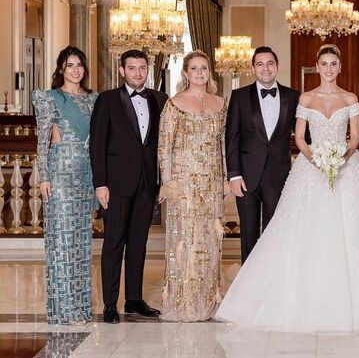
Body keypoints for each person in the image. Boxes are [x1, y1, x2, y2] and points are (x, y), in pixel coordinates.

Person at [215, 44, 359, 332]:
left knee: (353, 232)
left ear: (340, 67)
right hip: (311, 168)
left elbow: (355, 138)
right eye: (324, 64)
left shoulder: (350, 98)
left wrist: (340, 159)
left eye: (333, 64)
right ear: (317, 67)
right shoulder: (305, 98)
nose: (328, 68)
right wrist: (316, 159)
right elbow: (300, 137)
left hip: (346, 168)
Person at [89, 49, 168, 324]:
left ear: (148, 70)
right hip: (116, 184)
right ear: (122, 70)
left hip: (147, 183)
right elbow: (97, 144)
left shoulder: (160, 99)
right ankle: (110, 304)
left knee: (138, 243)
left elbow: (164, 144)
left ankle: (134, 299)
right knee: (114, 243)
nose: (137, 73)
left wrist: (163, 180)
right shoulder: (107, 99)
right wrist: (100, 183)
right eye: (132, 68)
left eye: (142, 68)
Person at [158, 50, 227, 322]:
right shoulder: (174, 104)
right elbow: (164, 146)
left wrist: (225, 179)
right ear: (186, 73)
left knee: (210, 239)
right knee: (186, 239)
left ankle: (207, 301)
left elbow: (224, 146)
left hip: (212, 180)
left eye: (204, 68)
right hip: (184, 181)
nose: (200, 73)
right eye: (194, 68)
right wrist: (168, 182)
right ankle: (184, 303)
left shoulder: (220, 104)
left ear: (209, 72)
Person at [32, 46, 97, 325]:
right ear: (61, 68)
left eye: (79, 65)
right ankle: (65, 309)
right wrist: (43, 177)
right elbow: (42, 141)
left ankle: (80, 307)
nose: (75, 70)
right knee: (62, 241)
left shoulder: (94, 99)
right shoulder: (49, 98)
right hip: (60, 174)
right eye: (70, 65)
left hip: (86, 175)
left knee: (81, 243)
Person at [225, 46, 299, 264]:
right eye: (260, 64)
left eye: (270, 63)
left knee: (275, 231)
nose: (265, 68)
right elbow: (232, 137)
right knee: (248, 232)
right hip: (246, 176)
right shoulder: (239, 96)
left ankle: (272, 277)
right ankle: (249, 280)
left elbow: (304, 135)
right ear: (253, 68)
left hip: (279, 175)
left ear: (277, 66)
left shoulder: (293, 96)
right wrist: (234, 175)